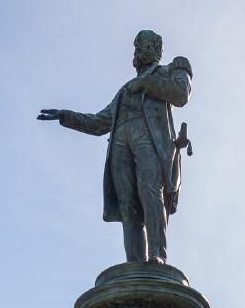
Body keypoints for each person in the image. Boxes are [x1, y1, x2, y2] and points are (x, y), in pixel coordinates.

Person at [38, 30, 192, 263]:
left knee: (150, 192)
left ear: (151, 49)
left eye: (138, 47)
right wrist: (66, 116)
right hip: (120, 143)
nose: (135, 53)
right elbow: (99, 122)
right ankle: (134, 262)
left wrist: (145, 82)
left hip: (148, 139)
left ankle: (157, 255)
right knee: (128, 206)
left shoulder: (167, 71)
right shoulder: (124, 91)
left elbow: (181, 94)